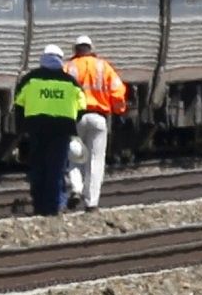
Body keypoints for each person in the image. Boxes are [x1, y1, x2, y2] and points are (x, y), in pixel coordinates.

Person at [12, 49, 83, 217]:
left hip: (36, 131)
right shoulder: (70, 82)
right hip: (61, 132)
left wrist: (22, 128)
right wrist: (71, 122)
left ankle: (39, 206)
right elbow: (81, 106)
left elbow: (19, 104)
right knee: (56, 170)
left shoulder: (30, 79)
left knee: (38, 169)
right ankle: (54, 207)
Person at [64, 32, 131, 209]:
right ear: (91, 49)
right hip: (99, 118)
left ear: (75, 50)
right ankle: (91, 202)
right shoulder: (103, 67)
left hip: (76, 118)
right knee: (95, 160)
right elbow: (117, 91)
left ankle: (76, 189)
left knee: (75, 158)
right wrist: (120, 109)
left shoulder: (69, 67)